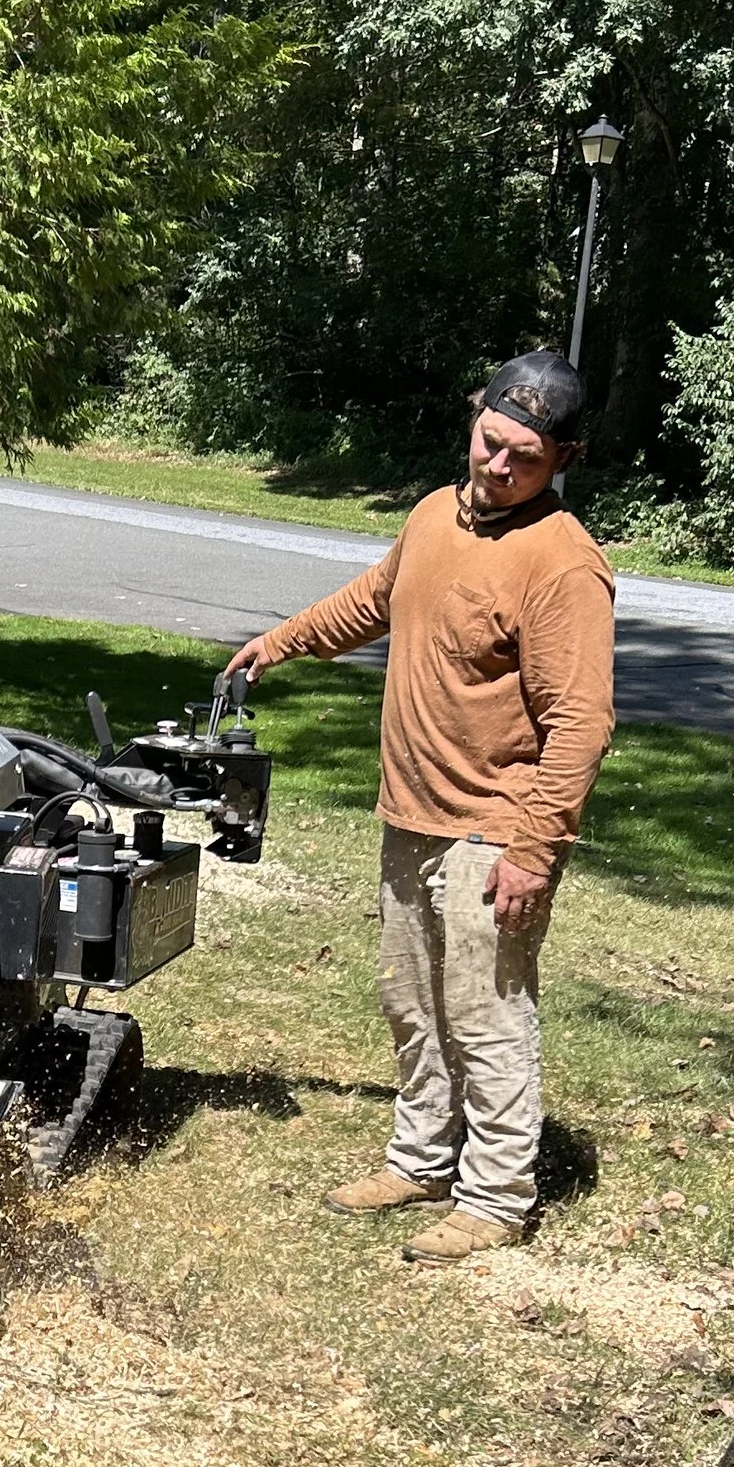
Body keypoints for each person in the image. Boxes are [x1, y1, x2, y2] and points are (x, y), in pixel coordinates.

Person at [222, 350, 615, 1265]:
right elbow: (375, 599)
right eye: (490, 442)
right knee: (413, 1002)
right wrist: (279, 643)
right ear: (474, 422)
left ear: (563, 458)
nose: (498, 466)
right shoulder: (437, 513)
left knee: (486, 1012)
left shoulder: (563, 566)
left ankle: (496, 1193)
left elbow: (581, 725)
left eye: (524, 456)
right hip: (413, 813)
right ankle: (421, 1158)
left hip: (495, 826)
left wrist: (532, 851)